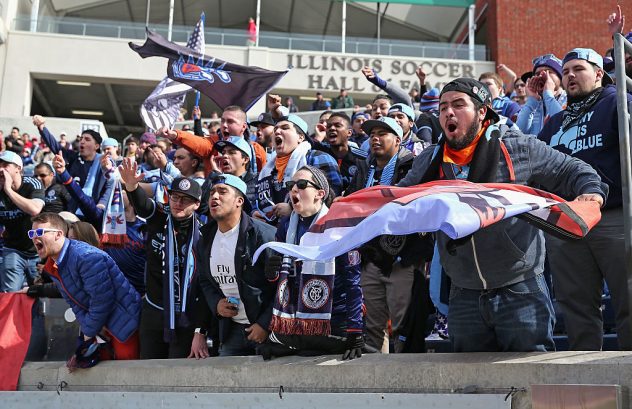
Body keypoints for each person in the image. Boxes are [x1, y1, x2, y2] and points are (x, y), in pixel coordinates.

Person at [397, 78, 607, 352]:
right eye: (443, 107)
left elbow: (573, 170)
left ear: (482, 111)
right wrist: (357, 207)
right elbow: (398, 198)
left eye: (459, 105)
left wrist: (591, 192)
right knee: (473, 387)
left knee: (529, 380)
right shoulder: (429, 160)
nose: (449, 112)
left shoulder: (517, 147)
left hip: (520, 290)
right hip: (464, 294)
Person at [538, 48, 632, 351]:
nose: (570, 76)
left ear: (599, 74)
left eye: (578, 69)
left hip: (614, 216)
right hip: (566, 222)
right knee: (576, 308)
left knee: (628, 299)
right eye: (565, 72)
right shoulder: (554, 123)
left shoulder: (617, 103)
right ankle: (586, 386)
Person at [262, 166, 364, 360]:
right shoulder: (286, 226)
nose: (293, 190)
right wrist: (271, 273)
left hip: (336, 319)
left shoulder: (339, 225)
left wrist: (354, 329)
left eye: (301, 185)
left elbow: (353, 283)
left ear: (320, 193)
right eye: (291, 185)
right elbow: (281, 280)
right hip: (298, 320)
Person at [345, 117, 428, 353]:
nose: (375, 138)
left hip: (402, 259)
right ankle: (375, 382)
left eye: (383, 133)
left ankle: (406, 380)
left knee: (403, 325)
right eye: (372, 134)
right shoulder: (364, 169)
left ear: (398, 140)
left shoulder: (412, 166)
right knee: (372, 326)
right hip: (370, 257)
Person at [120, 158, 207, 359]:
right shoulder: (160, 216)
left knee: (176, 373)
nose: (178, 203)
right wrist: (132, 187)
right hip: (154, 309)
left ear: (196, 204)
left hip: (185, 313)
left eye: (185, 199)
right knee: (148, 369)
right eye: (175, 197)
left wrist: (199, 330)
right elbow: (142, 206)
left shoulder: (203, 234)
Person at [29, 212, 141, 360]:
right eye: (31, 232)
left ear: (58, 234)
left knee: (126, 375)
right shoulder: (53, 265)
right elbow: (75, 304)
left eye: (40, 232)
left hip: (124, 322)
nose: (34, 237)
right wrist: (87, 338)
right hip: (101, 325)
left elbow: (102, 300)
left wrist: (87, 336)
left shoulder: (85, 256)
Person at [196, 174, 276, 356]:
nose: (214, 197)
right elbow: (205, 281)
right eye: (212, 193)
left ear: (239, 201)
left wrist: (265, 323)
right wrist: (216, 304)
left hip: (267, 333)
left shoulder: (264, 236)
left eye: (222, 192)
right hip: (230, 332)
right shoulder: (205, 239)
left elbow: (284, 286)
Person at [254, 115, 343, 223]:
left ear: (300, 137)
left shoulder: (318, 158)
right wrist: (256, 212)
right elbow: (257, 198)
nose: (277, 132)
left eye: (285, 128)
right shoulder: (267, 168)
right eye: (275, 129)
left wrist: (293, 208)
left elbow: (332, 198)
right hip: (274, 231)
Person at [33, 115, 107, 213]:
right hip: (71, 208)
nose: (82, 142)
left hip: (93, 210)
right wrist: (41, 127)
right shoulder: (73, 157)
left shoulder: (103, 164)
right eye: (81, 139)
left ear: (96, 146)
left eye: (87, 139)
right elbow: (55, 146)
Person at [0, 150, 45, 291]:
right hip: (12, 249)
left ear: (18, 168)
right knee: (10, 294)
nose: (0, 169)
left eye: (5, 165)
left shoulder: (33, 184)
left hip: (37, 250)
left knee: (39, 296)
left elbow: (35, 209)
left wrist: (8, 190)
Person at [516, 54, 567, 134]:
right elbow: (519, 133)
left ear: (560, 77)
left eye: (549, 72)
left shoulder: (570, 99)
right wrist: (532, 101)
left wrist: (548, 95)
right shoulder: (534, 103)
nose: (541, 75)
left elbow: (564, 126)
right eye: (537, 73)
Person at [325, 112, 367, 192]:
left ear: (349, 132)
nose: (332, 128)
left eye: (338, 125)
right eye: (329, 126)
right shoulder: (318, 155)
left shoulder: (362, 158)